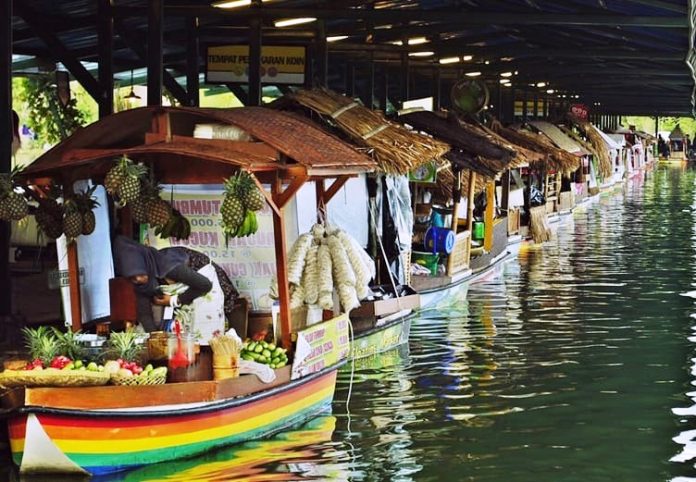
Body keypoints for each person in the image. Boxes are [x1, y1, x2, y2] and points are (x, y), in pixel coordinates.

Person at [112, 235, 214, 332]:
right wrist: (155, 337)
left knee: (202, 325)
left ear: (144, 264)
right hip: (180, 290)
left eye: (140, 273)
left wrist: (174, 300)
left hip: (201, 279)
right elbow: (144, 314)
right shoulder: (139, 283)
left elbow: (205, 285)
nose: (138, 279)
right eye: (132, 277)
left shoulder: (167, 265)